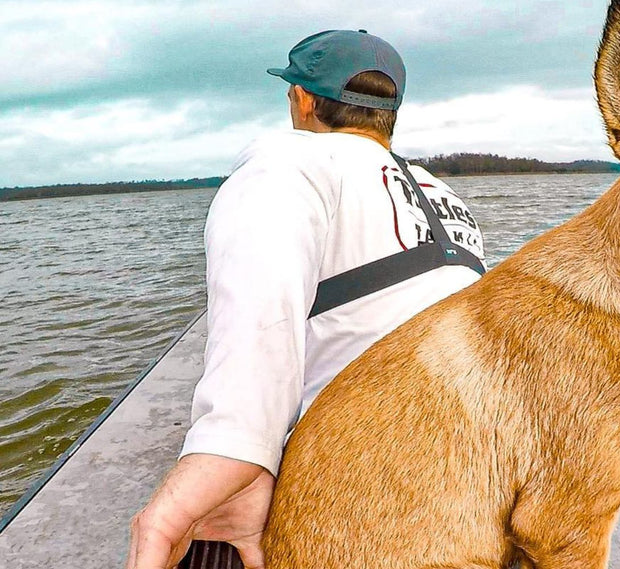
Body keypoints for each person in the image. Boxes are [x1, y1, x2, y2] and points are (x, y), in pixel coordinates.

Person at [126, 30, 485, 569]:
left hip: (367, 480)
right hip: (476, 474)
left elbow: (260, 330)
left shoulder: (287, 164)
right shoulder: (442, 194)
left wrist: (227, 458)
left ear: (303, 98)